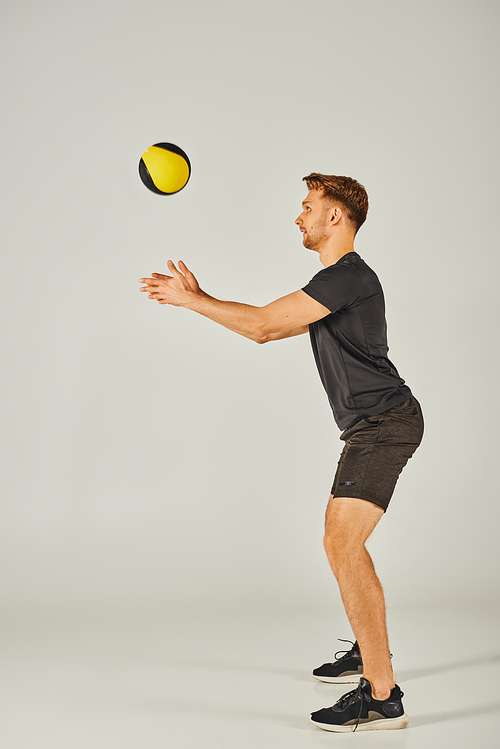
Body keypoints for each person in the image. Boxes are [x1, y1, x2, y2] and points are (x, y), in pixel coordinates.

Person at [139, 173, 424, 732]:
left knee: (342, 545)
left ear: (336, 217)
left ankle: (381, 696)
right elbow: (262, 327)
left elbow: (265, 327)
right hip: (372, 426)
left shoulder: (349, 278)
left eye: (308, 206)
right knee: (340, 543)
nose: (299, 216)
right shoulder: (335, 285)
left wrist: (193, 300)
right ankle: (371, 656)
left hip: (385, 425)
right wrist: (204, 302)